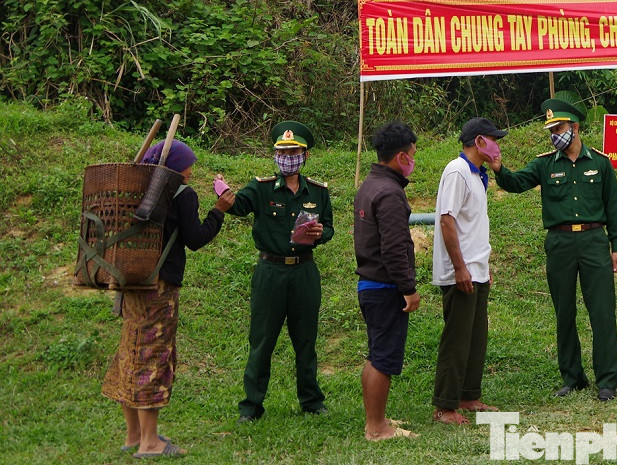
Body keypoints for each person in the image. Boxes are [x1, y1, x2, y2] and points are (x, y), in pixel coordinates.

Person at [103, 140, 231, 459]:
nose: (192, 169)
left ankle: (134, 434)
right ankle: (150, 444)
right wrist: (219, 211)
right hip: (159, 286)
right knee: (153, 356)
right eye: (189, 164)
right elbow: (196, 239)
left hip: (132, 282)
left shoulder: (136, 189)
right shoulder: (181, 193)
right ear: (174, 166)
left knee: (131, 351)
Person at [492, 95, 617, 401]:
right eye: (551, 129)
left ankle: (607, 380)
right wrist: (500, 169)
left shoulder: (601, 164)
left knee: (602, 312)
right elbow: (515, 183)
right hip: (560, 243)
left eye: (560, 127)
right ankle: (572, 377)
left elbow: (615, 209)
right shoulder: (543, 164)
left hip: (594, 241)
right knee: (564, 311)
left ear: (575, 127)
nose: (555, 134)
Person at [221, 120, 334, 422]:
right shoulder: (259, 188)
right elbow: (239, 205)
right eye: (282, 151)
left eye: (293, 151)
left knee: (306, 340)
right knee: (262, 341)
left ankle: (311, 401)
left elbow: (330, 228)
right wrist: (225, 196)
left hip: (304, 273)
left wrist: (321, 233)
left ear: (305, 155)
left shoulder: (319, 191)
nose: (287, 157)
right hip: (270, 272)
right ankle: (251, 406)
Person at [431, 117, 507, 424]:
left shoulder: (477, 175)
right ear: (478, 141)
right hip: (460, 272)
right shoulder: (457, 171)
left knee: (476, 336)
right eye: (493, 138)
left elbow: (472, 225)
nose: (497, 144)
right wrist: (460, 268)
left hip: (477, 270)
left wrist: (481, 266)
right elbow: (447, 220)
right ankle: (444, 406)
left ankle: (468, 396)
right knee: (457, 338)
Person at [353, 121, 421, 441]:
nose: (414, 159)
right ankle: (377, 428)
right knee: (384, 358)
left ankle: (375, 418)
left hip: (370, 284)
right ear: (400, 157)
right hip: (385, 288)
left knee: (375, 354)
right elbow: (394, 248)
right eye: (412, 154)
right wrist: (408, 289)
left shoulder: (369, 184)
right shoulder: (390, 193)